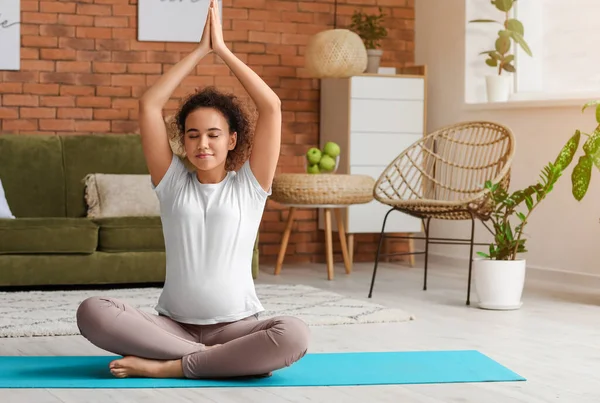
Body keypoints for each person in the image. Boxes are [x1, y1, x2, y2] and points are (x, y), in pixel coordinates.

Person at [75, 0, 310, 380]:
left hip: (237, 325)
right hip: (173, 328)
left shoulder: (250, 187)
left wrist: (224, 51)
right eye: (193, 134)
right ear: (182, 141)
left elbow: (271, 107)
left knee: (294, 334)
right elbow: (149, 105)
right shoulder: (172, 184)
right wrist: (199, 52)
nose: (203, 143)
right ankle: (217, 359)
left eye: (214, 135)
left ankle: (170, 368)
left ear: (232, 140)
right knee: (92, 311)